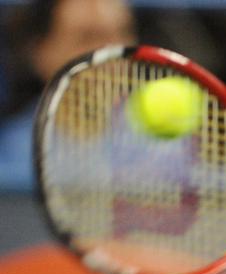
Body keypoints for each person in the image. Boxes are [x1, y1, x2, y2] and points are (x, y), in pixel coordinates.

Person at [0, 0, 136, 164]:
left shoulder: (166, 148)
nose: (113, 52)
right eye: (88, 37)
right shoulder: (10, 157)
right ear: (40, 52)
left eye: (122, 32)